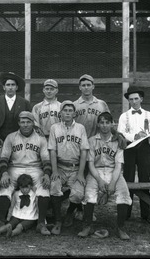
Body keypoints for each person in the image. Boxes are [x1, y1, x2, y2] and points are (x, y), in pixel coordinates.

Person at [0, 111, 52, 236]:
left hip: (35, 168)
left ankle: (41, 223)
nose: (25, 125)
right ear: (18, 123)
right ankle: (0, 221)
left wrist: (46, 174)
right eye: (22, 122)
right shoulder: (11, 137)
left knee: (43, 188)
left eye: (28, 122)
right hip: (15, 168)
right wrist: (4, 173)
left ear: (33, 123)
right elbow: (4, 158)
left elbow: (46, 160)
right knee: (5, 187)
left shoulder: (40, 138)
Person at [78, 112, 132, 240]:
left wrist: (113, 182)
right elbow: (90, 164)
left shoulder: (118, 140)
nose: (104, 125)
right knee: (89, 194)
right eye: (102, 122)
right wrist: (99, 180)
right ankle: (88, 226)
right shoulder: (92, 140)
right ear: (98, 124)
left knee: (124, 194)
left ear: (112, 123)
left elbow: (119, 165)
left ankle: (121, 227)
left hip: (114, 171)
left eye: (107, 122)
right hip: (95, 171)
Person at [117, 86, 150, 224]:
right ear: (128, 101)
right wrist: (134, 136)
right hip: (129, 148)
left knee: (144, 179)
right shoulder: (124, 116)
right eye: (131, 99)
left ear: (141, 99)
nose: (134, 102)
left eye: (136, 99)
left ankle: (145, 215)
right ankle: (126, 213)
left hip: (144, 149)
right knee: (128, 179)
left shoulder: (148, 115)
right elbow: (120, 134)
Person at [47, 100, 89, 235]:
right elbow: (52, 150)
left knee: (78, 194)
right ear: (60, 113)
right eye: (65, 110)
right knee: (54, 187)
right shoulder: (54, 128)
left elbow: (84, 151)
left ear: (74, 113)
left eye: (70, 111)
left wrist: (81, 173)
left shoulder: (80, 128)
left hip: (76, 167)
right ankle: (58, 220)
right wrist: (54, 171)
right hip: (60, 166)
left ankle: (70, 212)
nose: (68, 113)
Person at [73, 74, 110, 220]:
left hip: (95, 144)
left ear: (93, 86)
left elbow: (107, 122)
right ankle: (77, 209)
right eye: (83, 85)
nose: (86, 87)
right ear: (79, 87)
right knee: (78, 176)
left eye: (89, 85)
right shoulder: (75, 105)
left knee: (91, 177)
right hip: (78, 145)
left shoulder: (101, 104)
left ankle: (89, 209)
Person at [0, 72, 31, 141]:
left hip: (19, 140)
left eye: (13, 85)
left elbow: (30, 122)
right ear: (4, 87)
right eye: (8, 85)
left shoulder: (24, 103)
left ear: (16, 87)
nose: (10, 87)